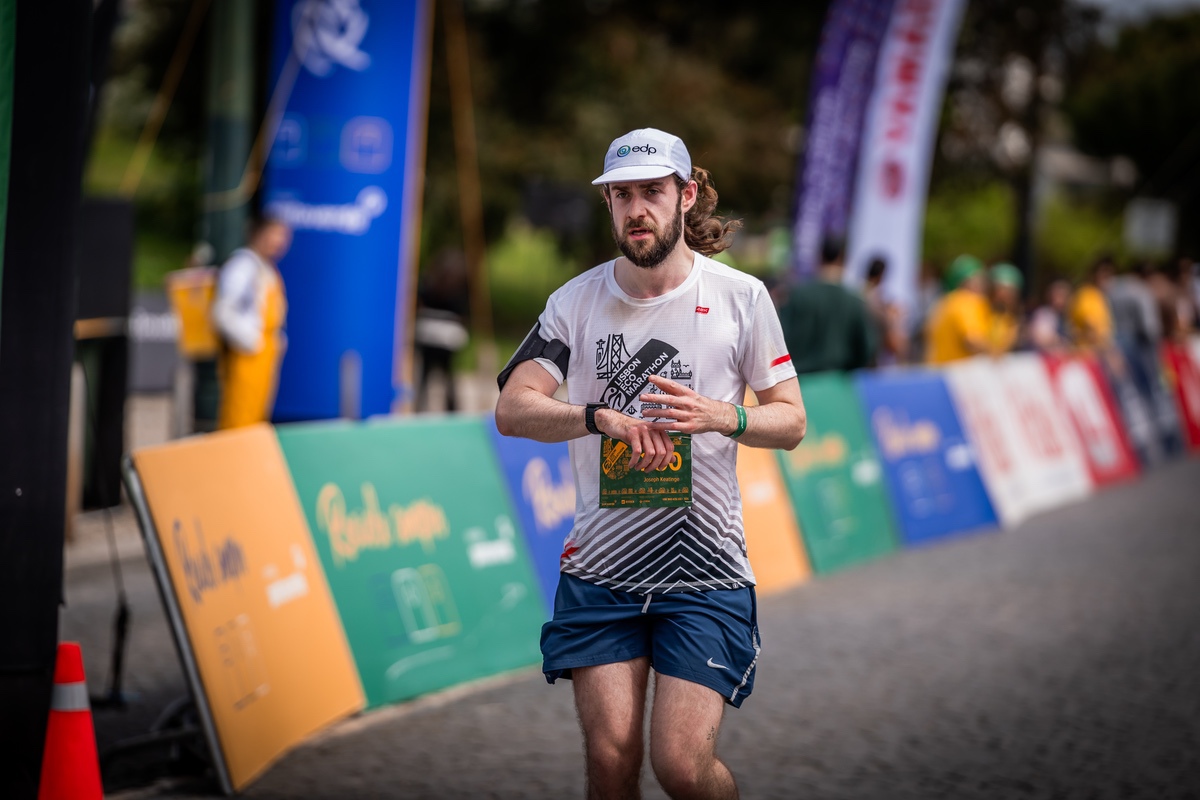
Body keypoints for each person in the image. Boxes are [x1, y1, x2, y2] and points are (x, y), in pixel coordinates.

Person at [495, 127, 806, 800]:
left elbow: (792, 421)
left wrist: (725, 416)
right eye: (622, 195)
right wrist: (595, 416)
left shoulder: (741, 298)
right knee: (611, 759)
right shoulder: (574, 303)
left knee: (681, 766)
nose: (636, 209)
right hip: (601, 572)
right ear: (608, 204)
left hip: (705, 573)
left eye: (652, 193)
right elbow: (513, 409)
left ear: (685, 196)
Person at [211, 216, 292, 429]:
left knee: (256, 416)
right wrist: (250, 340)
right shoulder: (242, 266)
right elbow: (223, 311)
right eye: (275, 235)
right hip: (248, 354)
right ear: (258, 234)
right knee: (239, 417)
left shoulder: (265, 268)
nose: (280, 242)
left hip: (265, 352)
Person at [776, 237, 876, 373]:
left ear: (820, 256)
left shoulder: (797, 295)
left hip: (801, 379)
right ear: (844, 258)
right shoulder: (854, 300)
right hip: (840, 379)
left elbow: (780, 339)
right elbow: (866, 348)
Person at [413, 250, 470, 412]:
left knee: (431, 376)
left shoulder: (430, 285)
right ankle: (450, 410)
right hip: (443, 340)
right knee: (443, 377)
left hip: (432, 339)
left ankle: (422, 407)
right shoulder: (456, 289)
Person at [924, 254, 993, 364]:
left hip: (937, 368)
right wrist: (996, 352)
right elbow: (972, 340)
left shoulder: (941, 303)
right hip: (958, 370)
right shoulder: (967, 301)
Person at [987, 262, 1023, 355]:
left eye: (1011, 292)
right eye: (1002, 290)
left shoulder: (1011, 320)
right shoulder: (981, 311)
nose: (1005, 296)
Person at [1028, 277, 1072, 353]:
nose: (1061, 300)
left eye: (1064, 296)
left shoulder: (1067, 317)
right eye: (1058, 295)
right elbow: (1041, 339)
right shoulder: (1043, 314)